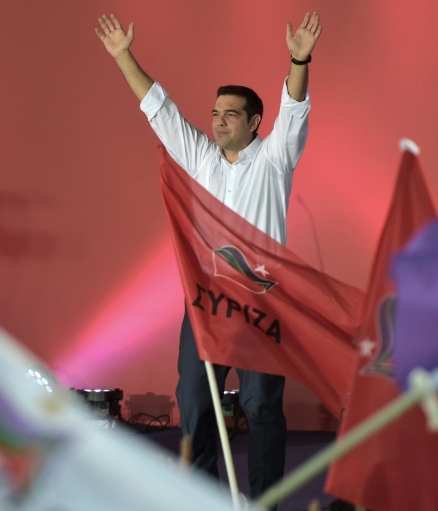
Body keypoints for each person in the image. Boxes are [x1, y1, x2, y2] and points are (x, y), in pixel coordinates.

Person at [95, 10, 323, 503]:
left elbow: (294, 109)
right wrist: (123, 57)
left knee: (262, 407)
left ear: (254, 122)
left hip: (263, 303)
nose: (218, 121)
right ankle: (202, 498)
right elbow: (160, 109)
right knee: (197, 404)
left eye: (230, 115)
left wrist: (299, 60)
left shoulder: (275, 159)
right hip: (207, 302)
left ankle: (264, 502)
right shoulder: (200, 156)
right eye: (216, 113)